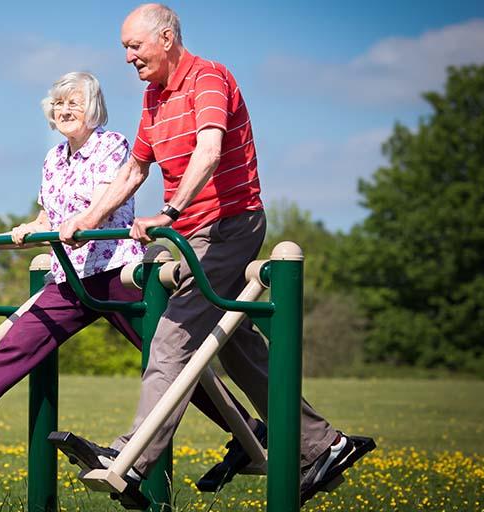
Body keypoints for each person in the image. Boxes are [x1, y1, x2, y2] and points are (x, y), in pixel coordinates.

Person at [57, 3, 375, 504]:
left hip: (228, 224)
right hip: (196, 232)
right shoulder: (153, 98)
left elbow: (209, 150)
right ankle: (325, 444)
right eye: (124, 48)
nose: (128, 57)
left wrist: (172, 210)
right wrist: (88, 219)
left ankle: (131, 460)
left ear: (165, 39)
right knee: (235, 340)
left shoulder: (209, 79)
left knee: (172, 338)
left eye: (134, 46)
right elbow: (134, 170)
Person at [0, 71, 259, 467]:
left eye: (75, 103)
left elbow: (98, 207)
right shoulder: (53, 159)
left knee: (172, 363)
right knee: (19, 343)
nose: (65, 110)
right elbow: (47, 216)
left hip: (115, 273)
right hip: (70, 274)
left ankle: (248, 433)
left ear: (93, 109)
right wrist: (8, 233)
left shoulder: (111, 145)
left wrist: (69, 225)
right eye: (59, 103)